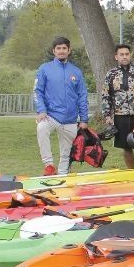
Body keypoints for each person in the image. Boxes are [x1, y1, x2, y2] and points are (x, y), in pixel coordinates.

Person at [33, 36, 88, 175]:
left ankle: (63, 177)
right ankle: (49, 165)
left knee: (66, 152)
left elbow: (82, 96)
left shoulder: (76, 72)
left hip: (70, 119)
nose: (61, 51)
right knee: (41, 128)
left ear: (69, 50)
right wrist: (41, 110)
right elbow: (37, 91)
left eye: (64, 48)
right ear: (54, 51)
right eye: (58, 48)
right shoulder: (45, 69)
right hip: (50, 115)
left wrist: (84, 119)